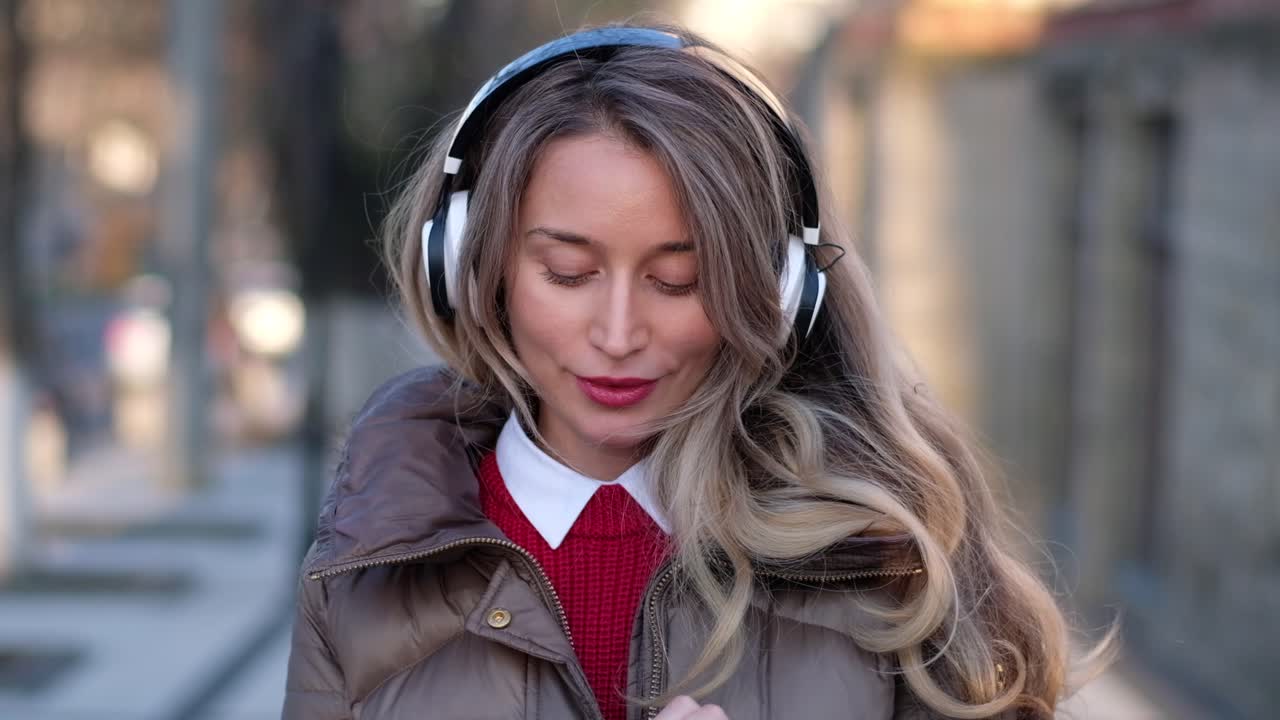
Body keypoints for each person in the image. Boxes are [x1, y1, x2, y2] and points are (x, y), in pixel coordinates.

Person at [282, 22, 1104, 720]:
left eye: (680, 280)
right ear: (470, 264)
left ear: (777, 292)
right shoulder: (365, 571)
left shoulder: (890, 562)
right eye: (568, 273)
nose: (617, 333)